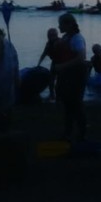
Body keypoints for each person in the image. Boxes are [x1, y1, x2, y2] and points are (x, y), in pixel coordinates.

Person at [54, 13, 89, 144]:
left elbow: (81, 58)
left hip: (76, 75)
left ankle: (82, 134)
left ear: (69, 24)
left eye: (61, 24)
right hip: (67, 75)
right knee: (68, 105)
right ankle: (68, 133)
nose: (59, 26)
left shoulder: (77, 39)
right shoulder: (66, 38)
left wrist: (62, 66)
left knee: (76, 105)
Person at [37, 27, 60, 99]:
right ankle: (52, 95)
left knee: (60, 81)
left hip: (62, 63)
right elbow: (43, 54)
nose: (52, 37)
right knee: (51, 80)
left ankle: (59, 96)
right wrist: (38, 65)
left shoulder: (60, 42)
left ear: (56, 35)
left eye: (53, 35)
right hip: (54, 63)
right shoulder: (48, 44)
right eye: (50, 35)